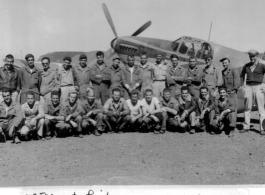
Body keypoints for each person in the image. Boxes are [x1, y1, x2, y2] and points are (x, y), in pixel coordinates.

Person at [240, 49, 265, 135]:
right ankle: (246, 126)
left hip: (259, 87)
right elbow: (242, 75)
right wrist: (242, 86)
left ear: (257, 56)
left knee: (261, 109)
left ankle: (262, 128)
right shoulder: (246, 66)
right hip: (249, 87)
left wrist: (264, 85)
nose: (252, 58)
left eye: (254, 56)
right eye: (250, 56)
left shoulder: (262, 65)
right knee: (247, 108)